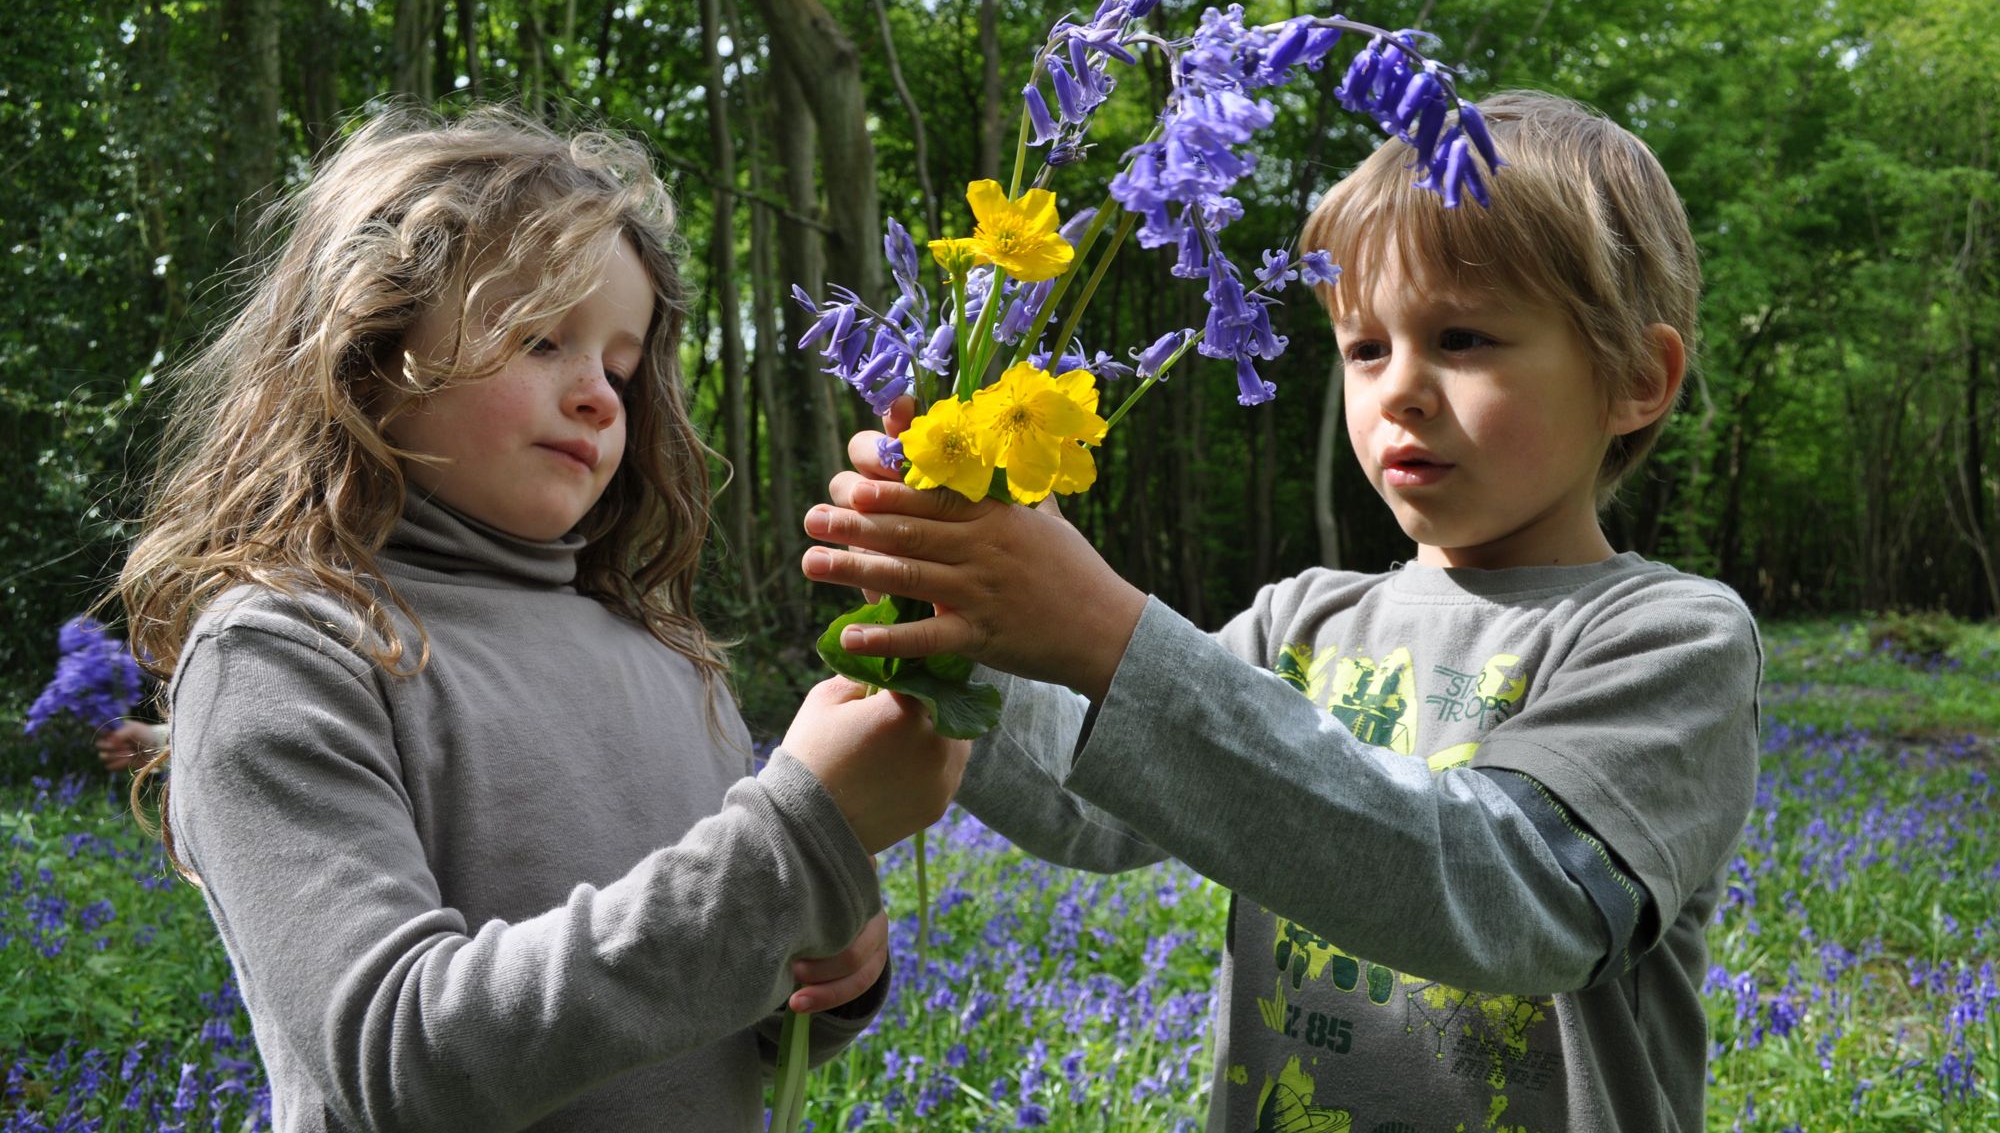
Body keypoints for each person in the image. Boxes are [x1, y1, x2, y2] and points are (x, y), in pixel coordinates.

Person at [799, 91, 1762, 1132]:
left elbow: (1517, 896)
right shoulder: (1301, 620)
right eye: (1364, 348)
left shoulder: (1668, 638)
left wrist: (1106, 635)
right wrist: (958, 628)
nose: (1399, 388)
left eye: (1462, 337)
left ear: (1635, 379)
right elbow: (1094, 809)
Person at [117, 105, 965, 1133]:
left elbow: (698, 1016)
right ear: (369, 344)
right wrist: (785, 851)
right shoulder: (286, 653)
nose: (600, 396)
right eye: (541, 338)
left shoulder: (667, 659)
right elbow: (398, 1059)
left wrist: (823, 968)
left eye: (620, 367)